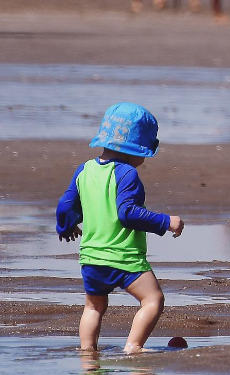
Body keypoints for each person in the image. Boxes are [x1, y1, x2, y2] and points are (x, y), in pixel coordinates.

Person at [56, 102, 185, 354]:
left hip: (91, 258)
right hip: (124, 258)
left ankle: (87, 353)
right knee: (153, 299)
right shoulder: (127, 174)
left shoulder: (84, 170)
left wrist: (66, 225)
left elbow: (65, 204)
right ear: (135, 149)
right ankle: (134, 346)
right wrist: (165, 221)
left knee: (93, 307)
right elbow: (127, 213)